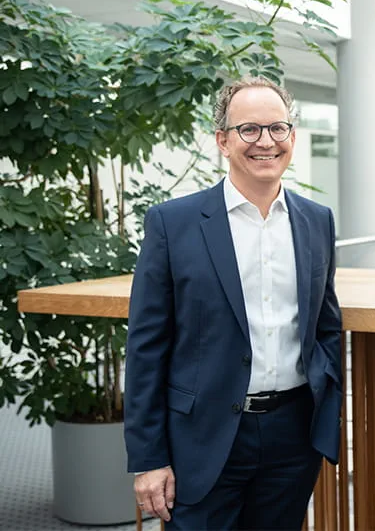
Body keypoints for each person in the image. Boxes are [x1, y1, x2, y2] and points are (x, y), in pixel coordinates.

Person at [124, 77, 342, 530]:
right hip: (202, 436)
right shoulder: (173, 223)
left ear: (293, 137)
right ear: (222, 140)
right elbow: (146, 346)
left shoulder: (316, 221)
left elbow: (325, 325)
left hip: (292, 435)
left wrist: (325, 412)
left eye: (278, 128)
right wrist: (148, 458)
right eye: (249, 130)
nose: (266, 142)